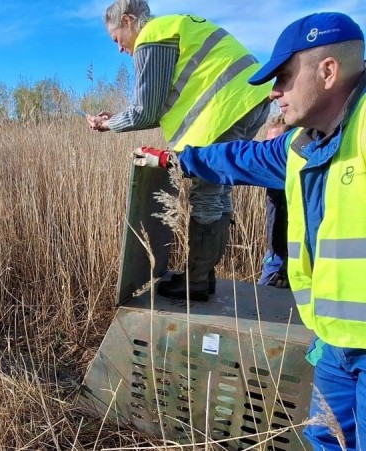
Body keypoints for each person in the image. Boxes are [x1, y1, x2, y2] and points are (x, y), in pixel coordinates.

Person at [131, 12, 366, 449]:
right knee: (324, 439)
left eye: (284, 76)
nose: (275, 92)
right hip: (335, 341)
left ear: (329, 71)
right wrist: (176, 159)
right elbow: (240, 158)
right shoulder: (301, 145)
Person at [87, 0, 271, 302]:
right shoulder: (176, 26)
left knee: (207, 194)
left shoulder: (153, 35)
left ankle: (197, 282)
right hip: (248, 102)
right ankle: (203, 276)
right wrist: (117, 117)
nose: (119, 48)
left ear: (129, 21)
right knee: (219, 191)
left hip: (224, 112)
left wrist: (107, 126)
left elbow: (145, 112)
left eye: (116, 38)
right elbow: (161, 102)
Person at [259, 114, 291, 288]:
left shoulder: (296, 176)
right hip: (273, 253)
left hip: (288, 258)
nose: (270, 151)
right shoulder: (271, 171)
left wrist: (287, 264)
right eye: (267, 144)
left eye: (276, 144)